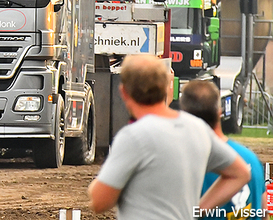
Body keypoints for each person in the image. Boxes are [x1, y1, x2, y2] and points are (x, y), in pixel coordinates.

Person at [88, 54, 250, 220]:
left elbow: (100, 202)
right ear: (167, 87)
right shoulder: (197, 128)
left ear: (124, 91)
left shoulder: (134, 136)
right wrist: (197, 210)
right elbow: (241, 173)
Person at [180, 80, 266, 220]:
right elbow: (264, 213)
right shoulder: (251, 159)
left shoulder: (191, 164)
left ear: (185, 116)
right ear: (219, 112)